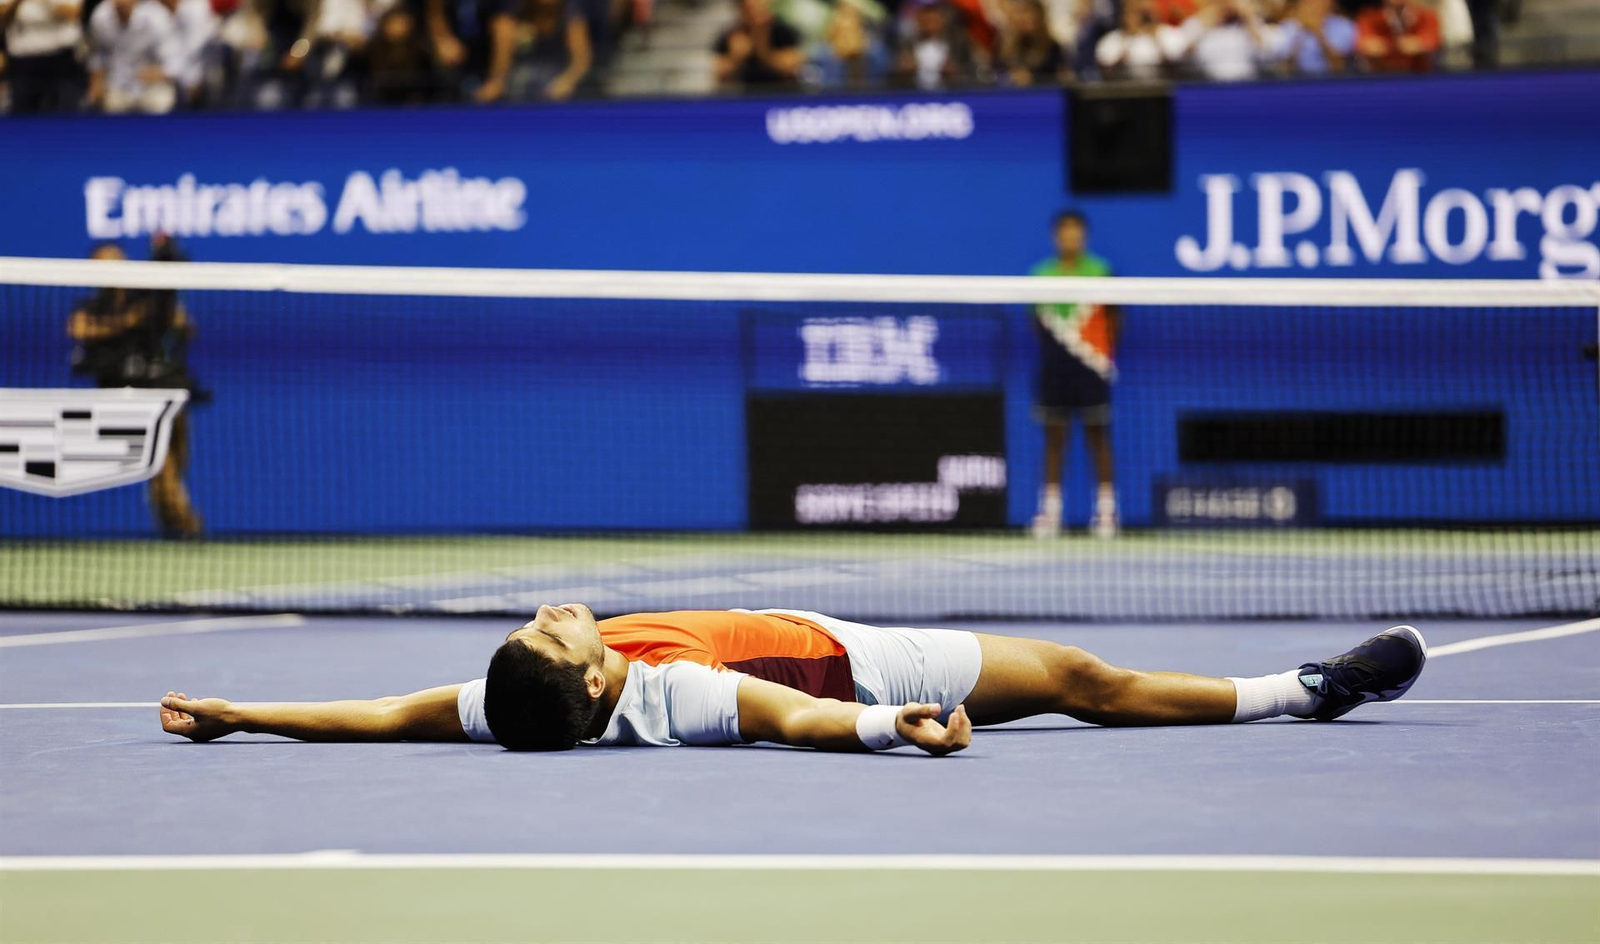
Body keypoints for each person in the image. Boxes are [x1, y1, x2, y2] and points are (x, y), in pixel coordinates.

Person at [158, 603, 1429, 755]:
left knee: (1081, 672)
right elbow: (797, 713)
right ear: (600, 689)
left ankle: (1301, 688)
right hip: (869, 658)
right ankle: (1307, 690)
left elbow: (378, 716)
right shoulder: (673, 698)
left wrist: (237, 709)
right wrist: (896, 724)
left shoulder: (508, 698)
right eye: (558, 635)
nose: (555, 615)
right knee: (1084, 677)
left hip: (828, 640)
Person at [68, 240, 205, 538]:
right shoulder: (91, 308)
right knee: (162, 460)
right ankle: (186, 524)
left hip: (168, 388)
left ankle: (166, 502)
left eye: (117, 261)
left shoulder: (146, 299)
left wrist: (172, 327)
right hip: (129, 397)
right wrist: (127, 322)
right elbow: (79, 328)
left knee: (178, 457)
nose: (113, 269)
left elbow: (182, 322)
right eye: (105, 264)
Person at [1029, 210, 1117, 540]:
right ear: (1056, 237)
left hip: (1092, 365)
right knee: (1054, 440)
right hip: (1055, 367)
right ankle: (1050, 514)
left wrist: (1097, 358)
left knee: (1098, 438)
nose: (1071, 238)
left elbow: (1113, 320)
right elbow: (1037, 324)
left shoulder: (1101, 272)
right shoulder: (1040, 275)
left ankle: (1107, 513)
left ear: (1084, 236)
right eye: (1065, 232)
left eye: (1076, 232)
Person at [424, 0, 519, 101]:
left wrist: (496, 80)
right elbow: (435, 10)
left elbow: (504, 28)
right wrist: (443, 39)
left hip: (488, 56)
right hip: (455, 54)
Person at [0, 0, 84, 113]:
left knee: (66, 119)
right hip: (22, 61)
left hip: (61, 59)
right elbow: (2, 14)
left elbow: (74, 12)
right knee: (22, 121)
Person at [508, 0, 591, 100]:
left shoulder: (571, 19)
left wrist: (566, 81)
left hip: (558, 82)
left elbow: (581, 61)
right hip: (523, 82)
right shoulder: (520, 16)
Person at [712, 0, 803, 89]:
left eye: (755, 7)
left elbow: (792, 67)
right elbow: (719, 74)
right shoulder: (732, 34)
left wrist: (763, 50)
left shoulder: (783, 30)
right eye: (747, 9)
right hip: (746, 95)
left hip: (782, 94)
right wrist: (735, 58)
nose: (752, 14)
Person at [1093, 0, 1183, 80]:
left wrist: (1155, 37)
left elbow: (1177, 72)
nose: (1141, 9)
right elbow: (1107, 76)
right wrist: (1129, 37)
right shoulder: (1111, 41)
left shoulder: (1171, 35)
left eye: (1144, 0)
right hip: (1126, 93)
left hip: (1164, 93)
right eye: (1134, 5)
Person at [1353, 0, 1437, 72]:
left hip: (1419, 78)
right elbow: (1365, 44)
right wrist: (1396, 45)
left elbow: (1431, 42)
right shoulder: (1369, 18)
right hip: (1380, 78)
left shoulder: (1427, 17)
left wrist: (1418, 45)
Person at [1271, 0, 1353, 73]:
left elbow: (1339, 66)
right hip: (1297, 81)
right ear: (1302, 1)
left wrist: (1318, 33)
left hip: (1332, 82)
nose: (1318, 4)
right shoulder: (1288, 27)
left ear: (1332, 1)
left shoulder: (1344, 26)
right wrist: (1301, 32)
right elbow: (1284, 68)